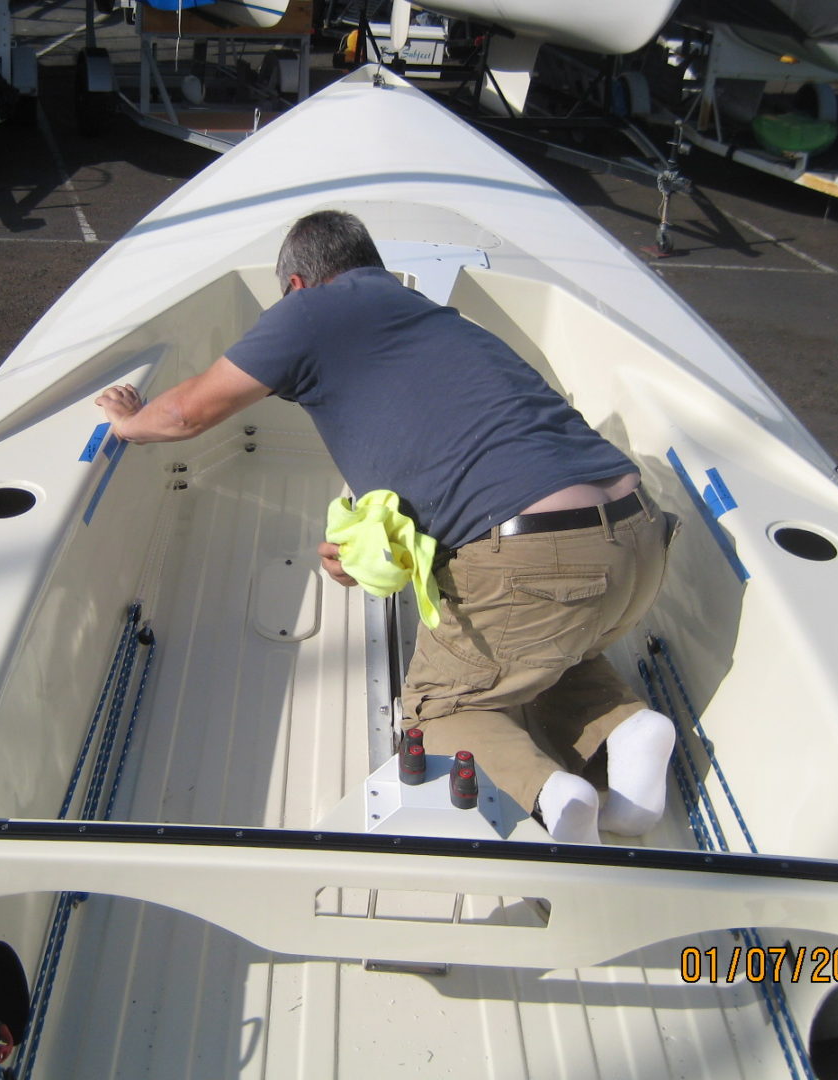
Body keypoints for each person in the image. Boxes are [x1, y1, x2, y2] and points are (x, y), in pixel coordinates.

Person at [97, 209, 676, 844]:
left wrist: (130, 421)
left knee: (448, 707)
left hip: (535, 552)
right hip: (635, 538)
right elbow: (451, 470)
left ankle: (553, 800)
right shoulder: (428, 318)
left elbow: (184, 415)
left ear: (295, 285)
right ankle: (627, 729)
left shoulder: (310, 310)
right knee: (546, 650)